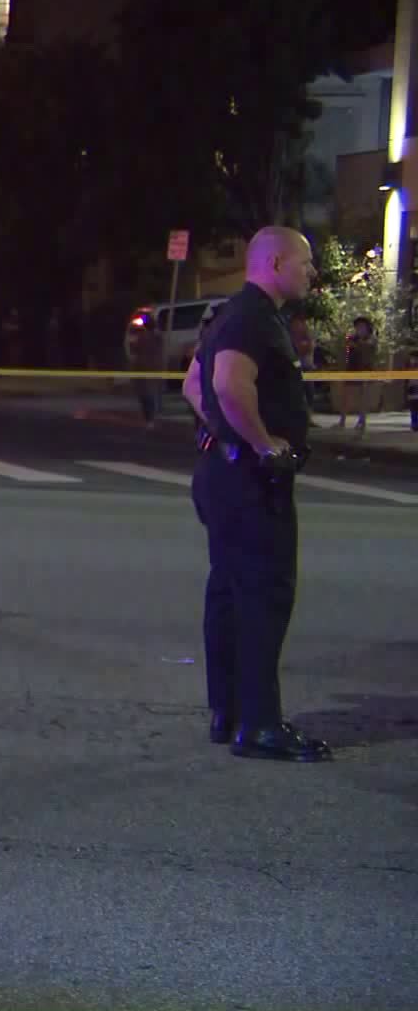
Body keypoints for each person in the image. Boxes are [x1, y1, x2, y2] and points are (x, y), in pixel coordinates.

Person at [181, 226, 332, 762]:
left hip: (223, 474)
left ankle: (230, 712)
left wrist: (223, 432)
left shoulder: (230, 315)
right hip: (249, 481)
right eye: (305, 263)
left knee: (229, 594)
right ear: (275, 264)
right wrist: (263, 444)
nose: (311, 273)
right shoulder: (252, 318)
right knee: (264, 599)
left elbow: (191, 386)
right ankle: (261, 726)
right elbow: (223, 384)